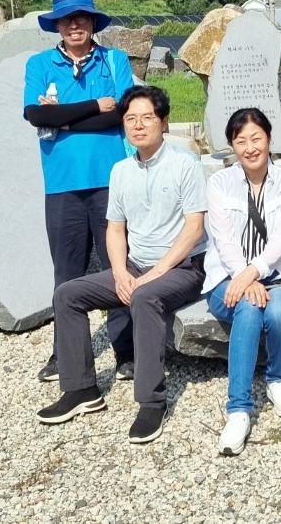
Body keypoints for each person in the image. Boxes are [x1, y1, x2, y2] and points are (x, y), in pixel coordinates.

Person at [36, 85, 207, 445]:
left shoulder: (185, 164)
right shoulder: (120, 171)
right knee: (68, 294)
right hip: (135, 265)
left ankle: (151, 401)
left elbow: (194, 229)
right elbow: (115, 229)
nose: (139, 125)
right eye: (131, 119)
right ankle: (82, 389)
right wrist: (119, 271)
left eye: (147, 118)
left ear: (164, 122)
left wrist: (155, 273)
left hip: (182, 269)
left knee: (144, 298)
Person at [24, 0, 134, 383]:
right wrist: (91, 107)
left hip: (112, 182)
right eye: (67, 18)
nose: (75, 24)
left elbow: (120, 114)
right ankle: (63, 355)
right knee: (66, 273)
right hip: (62, 185)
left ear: (92, 22)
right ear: (57, 25)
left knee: (118, 267)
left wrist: (63, 118)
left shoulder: (114, 60)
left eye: (82, 17)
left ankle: (127, 351)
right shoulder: (39, 64)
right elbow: (35, 115)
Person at [204, 107, 281, 456]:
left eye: (256, 138)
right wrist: (244, 278)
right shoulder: (219, 182)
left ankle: (277, 377)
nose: (249, 147)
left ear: (269, 138)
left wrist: (252, 273)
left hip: (274, 277)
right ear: (232, 145)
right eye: (240, 140)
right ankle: (239, 410)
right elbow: (224, 239)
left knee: (277, 314)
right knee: (249, 307)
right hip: (226, 279)